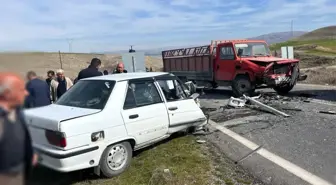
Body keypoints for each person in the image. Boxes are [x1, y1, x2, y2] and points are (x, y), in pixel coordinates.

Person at [0, 72, 38, 185]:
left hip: (20, 173)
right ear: (7, 93)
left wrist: (29, 154)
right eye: (21, 90)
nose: (26, 93)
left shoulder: (18, 112)